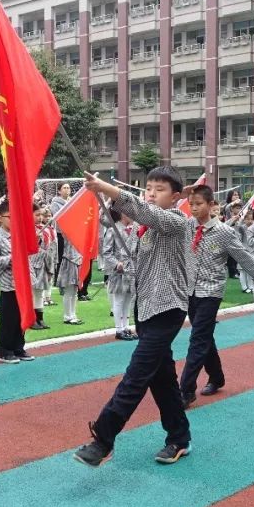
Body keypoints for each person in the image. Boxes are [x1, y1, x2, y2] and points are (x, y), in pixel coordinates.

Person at [74, 166, 194, 467]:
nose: (151, 194)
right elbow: (134, 216)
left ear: (176, 197)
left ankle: (103, 440)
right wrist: (105, 197)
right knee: (162, 379)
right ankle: (179, 438)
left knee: (136, 375)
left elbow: (147, 212)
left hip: (168, 309)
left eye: (160, 190)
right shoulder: (147, 230)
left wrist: (108, 189)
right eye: (148, 188)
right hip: (147, 310)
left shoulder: (178, 222)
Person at [180, 185, 254, 407]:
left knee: (198, 338)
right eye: (191, 204)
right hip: (190, 289)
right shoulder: (186, 226)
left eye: (198, 204)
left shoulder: (224, 232)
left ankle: (186, 389)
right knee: (204, 336)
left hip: (211, 292)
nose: (193, 208)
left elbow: (245, 257)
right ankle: (217, 377)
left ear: (211, 206)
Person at [0, 202, 34, 364]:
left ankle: (18, 348)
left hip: (23, 283)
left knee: (21, 318)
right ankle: (5, 350)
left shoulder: (19, 236)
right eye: (10, 217)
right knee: (9, 319)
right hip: (9, 285)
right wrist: (12, 257)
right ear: (0, 218)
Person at [101, 209, 138, 341]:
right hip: (118, 272)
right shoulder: (113, 230)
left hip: (131, 270)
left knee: (128, 299)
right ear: (123, 213)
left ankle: (126, 327)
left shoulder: (134, 230)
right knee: (119, 299)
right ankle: (118, 329)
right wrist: (117, 264)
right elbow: (106, 252)